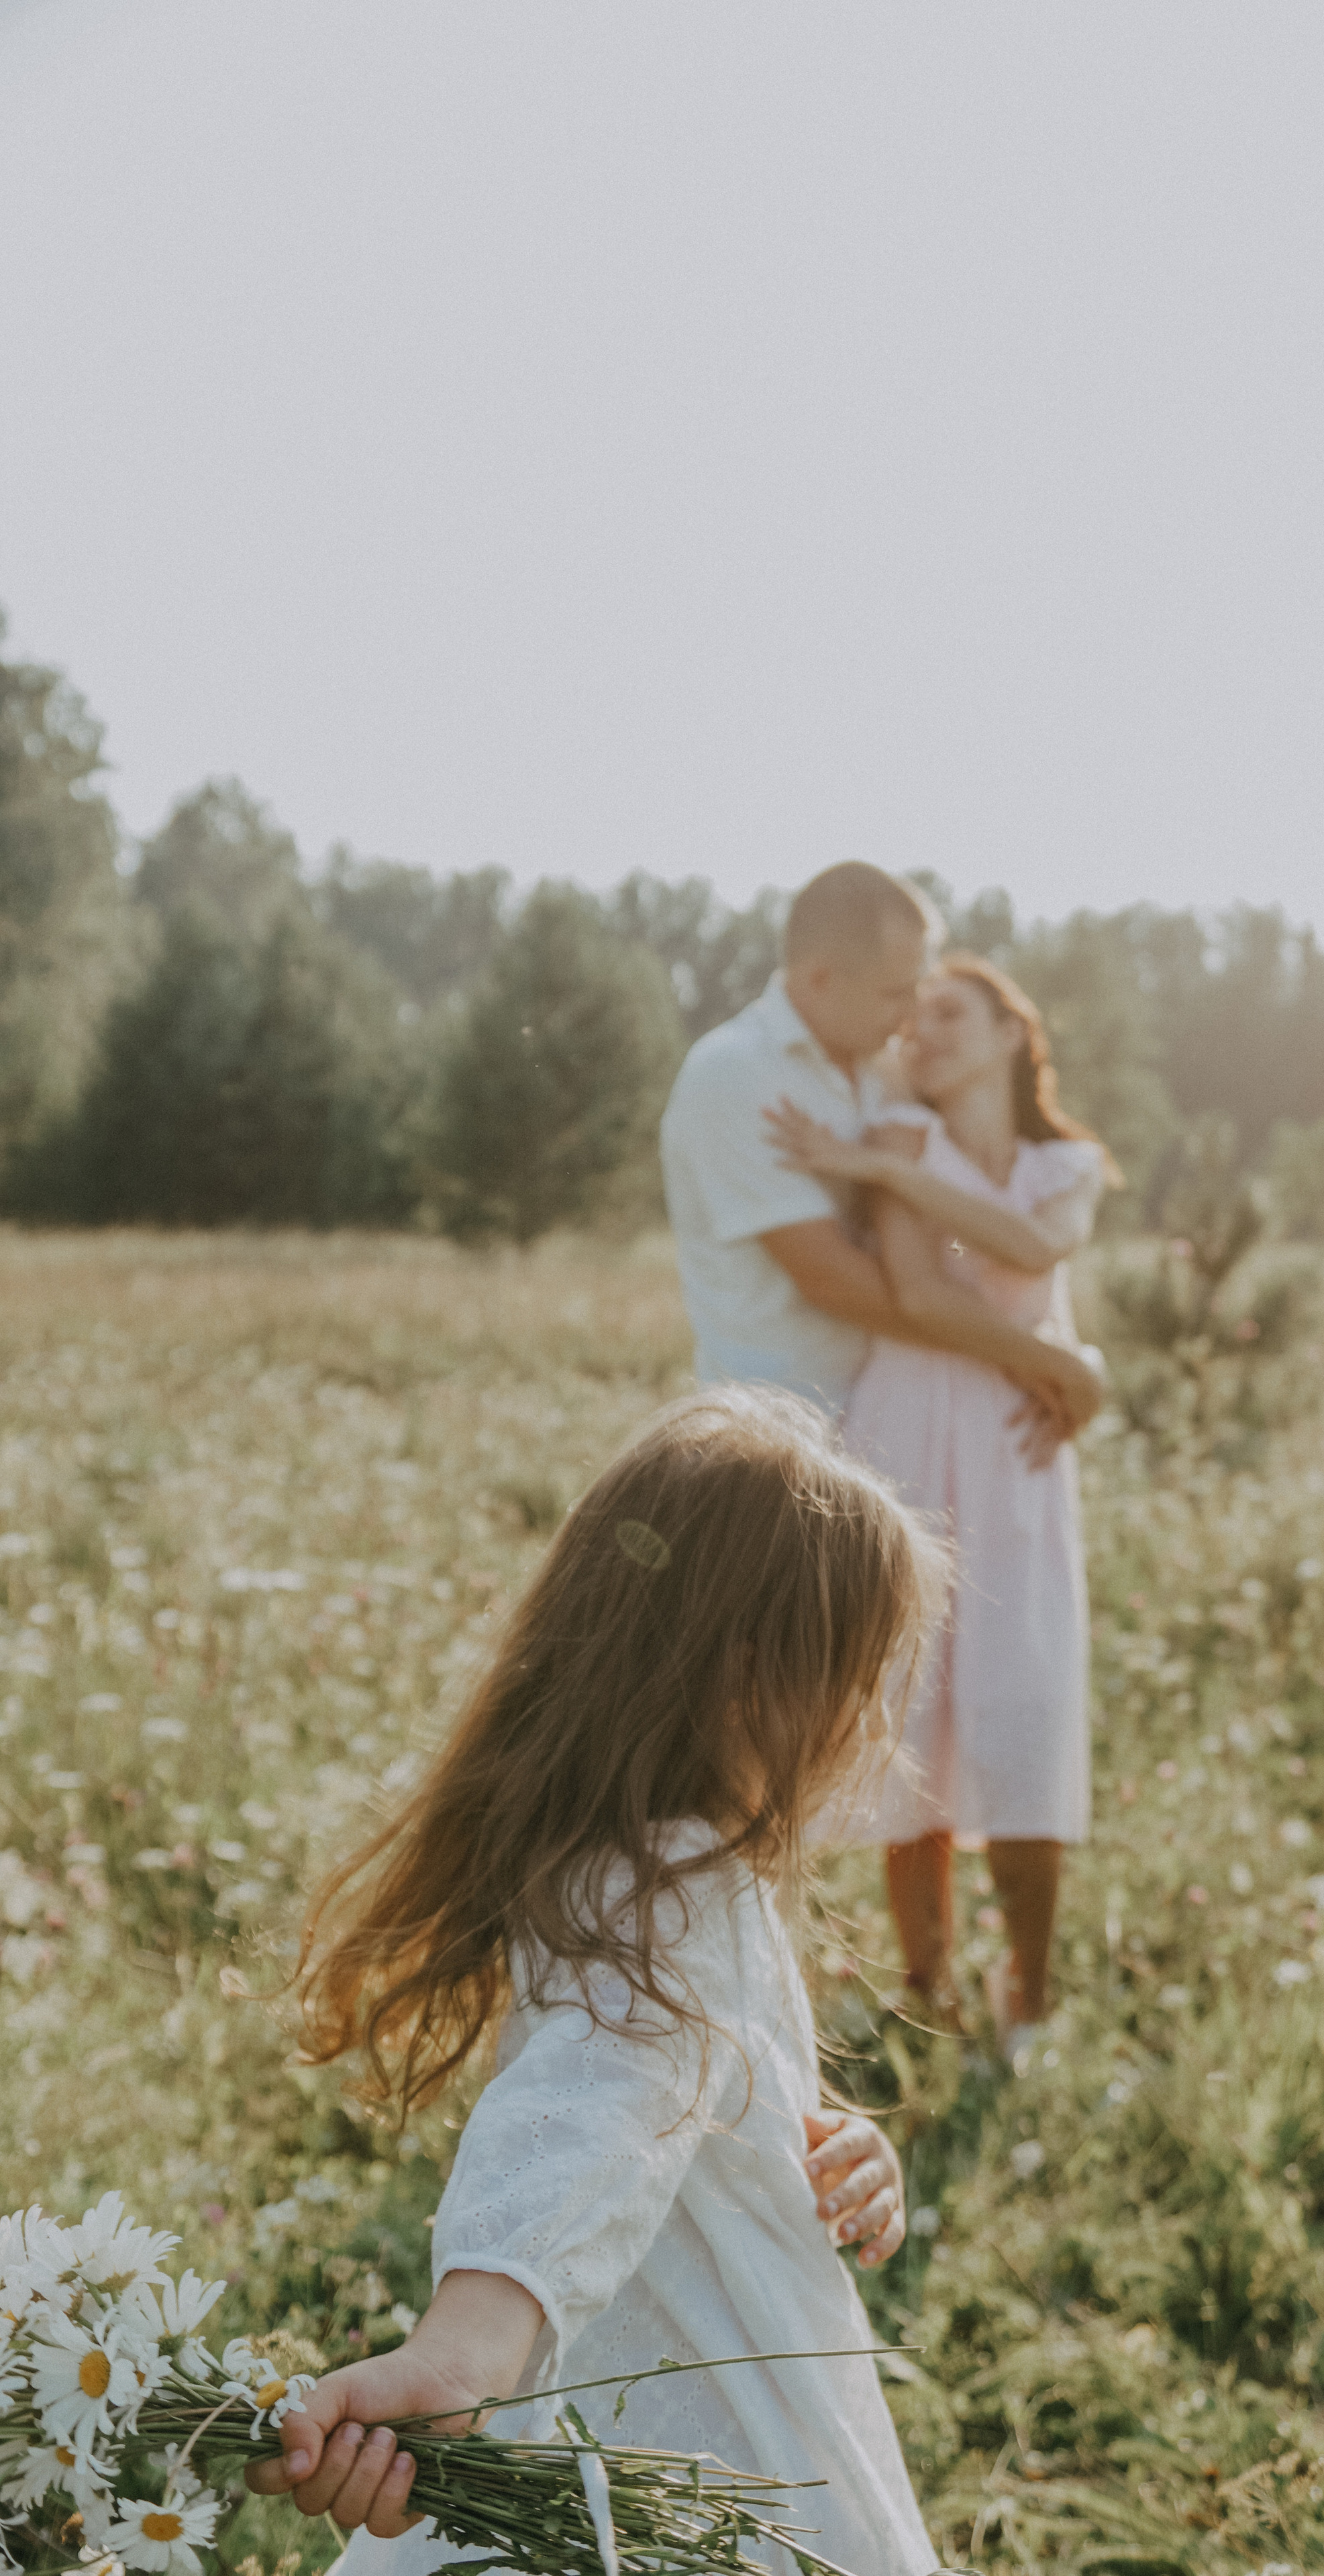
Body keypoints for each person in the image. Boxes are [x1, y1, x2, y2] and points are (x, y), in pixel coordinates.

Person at [246, 1389, 948, 2576]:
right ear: (747, 1677)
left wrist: (822, 2145)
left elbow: (686, 2096)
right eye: (855, 1674)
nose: (870, 1720)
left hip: (655, 2413)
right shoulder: (665, 1890)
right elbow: (596, 2102)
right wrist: (470, 2344)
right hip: (700, 2463)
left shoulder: (650, 1860)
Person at [764, 957, 1117, 2070]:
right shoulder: (903, 1140)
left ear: (1015, 1031)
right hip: (911, 1424)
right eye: (909, 1021)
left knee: (1022, 1706)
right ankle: (929, 1998)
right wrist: (1067, 1370)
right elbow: (917, 1296)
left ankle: (1031, 2011)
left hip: (1017, 1453)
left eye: (951, 1014)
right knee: (906, 1711)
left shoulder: (1066, 1162)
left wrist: (1070, 1379)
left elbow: (1034, 1246)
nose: (923, 1033)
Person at [658, 859, 1103, 1444]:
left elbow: (984, 1207)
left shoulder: (890, 1071)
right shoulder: (737, 1075)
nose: (912, 1014)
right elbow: (831, 1278)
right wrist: (1037, 1362)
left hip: (902, 1420)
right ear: (820, 980)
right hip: (778, 1434)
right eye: (897, 992)